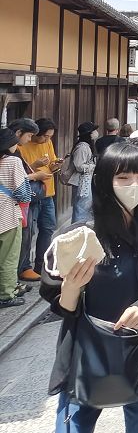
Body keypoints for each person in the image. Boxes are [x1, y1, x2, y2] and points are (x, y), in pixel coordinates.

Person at [41, 142, 138, 433]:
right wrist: (70, 290)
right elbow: (59, 304)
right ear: (103, 181)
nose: (134, 184)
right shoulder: (78, 235)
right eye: (123, 177)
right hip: (86, 352)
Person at [0, 122, 47, 307]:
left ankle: (10, 287)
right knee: (9, 257)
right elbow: (22, 194)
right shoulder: (13, 161)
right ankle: (6, 294)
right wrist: (33, 180)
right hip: (8, 216)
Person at [18, 118, 60, 281]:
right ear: (35, 134)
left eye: (50, 137)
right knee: (28, 232)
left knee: (48, 228)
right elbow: (20, 172)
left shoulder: (47, 143)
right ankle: (24, 267)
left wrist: (56, 165)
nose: (47, 140)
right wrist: (35, 165)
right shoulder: (23, 145)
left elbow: (51, 163)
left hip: (47, 192)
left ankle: (41, 265)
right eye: (45, 137)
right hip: (31, 194)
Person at [66, 123, 99, 222]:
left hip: (86, 180)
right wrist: (93, 166)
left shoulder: (86, 146)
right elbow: (79, 166)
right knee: (81, 208)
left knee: (84, 207)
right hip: (82, 181)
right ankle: (78, 229)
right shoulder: (82, 147)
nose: (96, 133)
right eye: (93, 131)